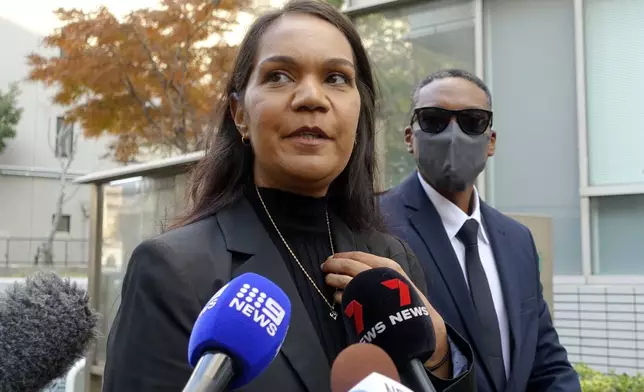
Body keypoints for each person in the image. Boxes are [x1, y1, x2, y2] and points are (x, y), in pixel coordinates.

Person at [102, 3, 477, 391]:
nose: (311, 98)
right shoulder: (173, 270)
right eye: (279, 76)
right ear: (239, 113)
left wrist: (440, 355)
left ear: (359, 112)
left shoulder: (394, 262)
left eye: (336, 78)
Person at [380, 69, 580, 392]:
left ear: (491, 141)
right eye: (434, 120)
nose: (453, 135)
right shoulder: (373, 226)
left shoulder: (517, 240)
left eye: (472, 121)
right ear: (409, 137)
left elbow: (547, 361)